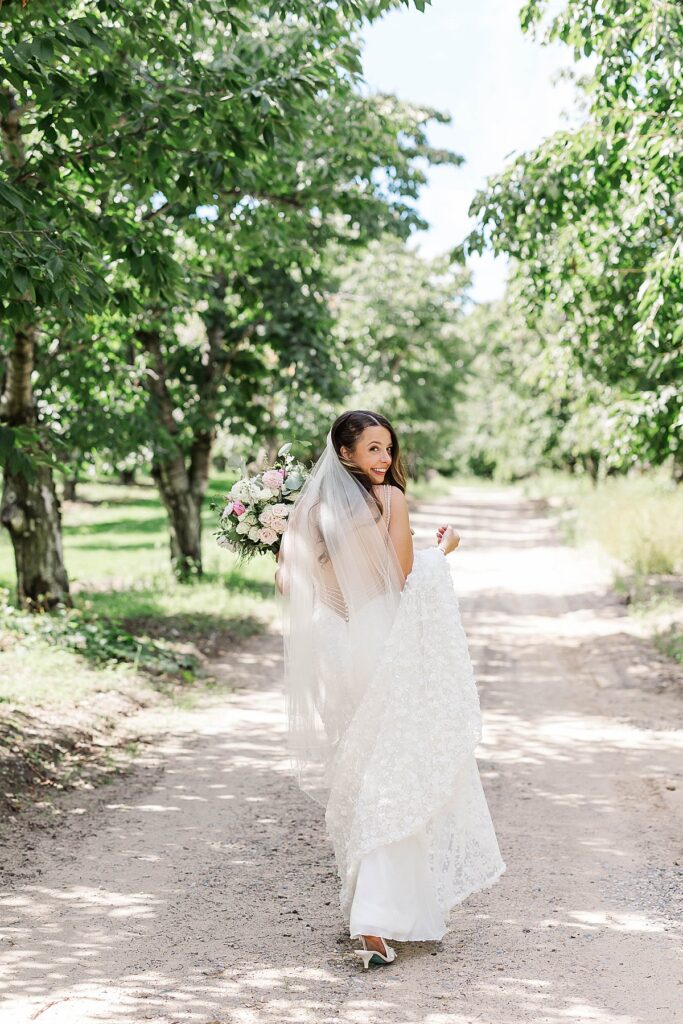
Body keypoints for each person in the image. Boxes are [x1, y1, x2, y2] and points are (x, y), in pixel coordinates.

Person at [275, 409, 505, 969]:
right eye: (373, 449)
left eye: (387, 448)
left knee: (362, 768)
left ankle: (371, 908)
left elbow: (293, 581)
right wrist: (445, 550)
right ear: (346, 454)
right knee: (393, 770)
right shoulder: (392, 502)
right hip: (384, 640)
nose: (384, 459)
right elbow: (404, 574)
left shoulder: (315, 510)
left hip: (339, 644)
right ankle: (378, 916)